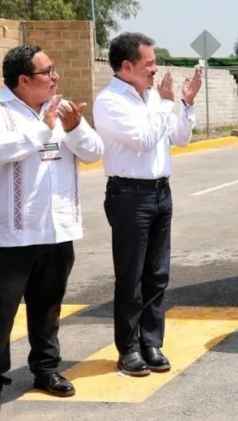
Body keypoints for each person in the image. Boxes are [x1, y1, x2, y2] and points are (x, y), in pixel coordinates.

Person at [0, 45, 104, 417]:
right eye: (48, 71)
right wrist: (43, 130)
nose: (55, 76)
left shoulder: (63, 110)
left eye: (54, 69)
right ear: (24, 80)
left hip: (55, 231)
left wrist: (72, 128)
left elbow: (93, 152)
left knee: (48, 308)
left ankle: (45, 369)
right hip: (5, 236)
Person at [93, 32, 201, 376]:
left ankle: (152, 342)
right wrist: (167, 105)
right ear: (127, 66)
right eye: (149, 63)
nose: (155, 69)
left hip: (160, 192)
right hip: (129, 196)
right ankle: (129, 349)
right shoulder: (110, 101)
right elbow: (142, 140)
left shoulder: (155, 96)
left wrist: (185, 103)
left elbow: (180, 139)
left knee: (157, 274)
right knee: (131, 277)